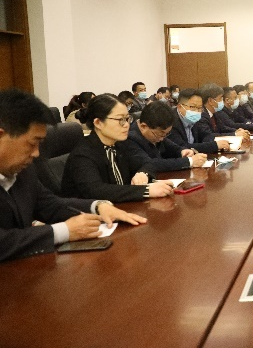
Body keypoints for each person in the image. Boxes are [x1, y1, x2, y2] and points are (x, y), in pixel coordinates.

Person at [0, 89, 146, 262]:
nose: (37, 153)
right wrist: (63, 231)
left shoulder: (23, 171)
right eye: (32, 144)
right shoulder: (82, 153)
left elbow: (49, 204)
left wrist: (98, 206)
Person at [62, 94, 175, 203]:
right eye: (120, 120)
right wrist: (146, 190)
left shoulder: (120, 144)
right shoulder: (83, 154)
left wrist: (143, 173)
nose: (126, 125)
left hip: (122, 206)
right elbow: (96, 191)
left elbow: (148, 163)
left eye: (127, 119)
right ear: (98, 123)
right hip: (87, 213)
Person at [121, 101, 208, 172]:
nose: (162, 138)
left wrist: (182, 151)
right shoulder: (129, 138)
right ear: (144, 126)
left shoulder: (157, 133)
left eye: (166, 134)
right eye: (160, 134)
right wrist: (190, 161)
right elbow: (150, 164)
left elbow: (173, 147)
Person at [166, 88, 230, 154]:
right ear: (179, 107)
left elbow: (205, 135)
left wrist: (221, 142)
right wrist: (214, 145)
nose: (197, 111)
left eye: (199, 107)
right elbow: (182, 147)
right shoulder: (170, 121)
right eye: (192, 107)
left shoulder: (196, 117)